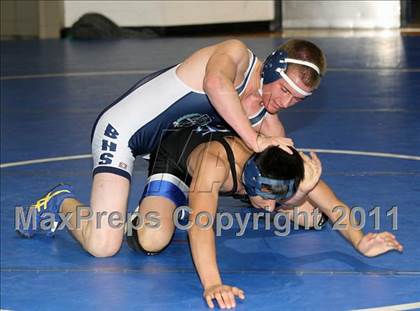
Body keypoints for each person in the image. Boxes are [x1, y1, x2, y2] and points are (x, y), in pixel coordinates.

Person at [17, 39, 327, 259]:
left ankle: (156, 207)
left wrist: (299, 191)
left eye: (298, 99)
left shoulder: (268, 124)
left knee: (312, 215)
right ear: (272, 69)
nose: (286, 103)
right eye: (285, 90)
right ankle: (60, 202)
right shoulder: (235, 56)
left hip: (176, 153)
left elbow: (280, 183)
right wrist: (254, 140)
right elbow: (215, 85)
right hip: (125, 132)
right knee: (103, 244)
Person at [120, 126, 401, 309]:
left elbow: (333, 207)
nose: (270, 209)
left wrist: (360, 240)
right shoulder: (214, 165)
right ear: (251, 184)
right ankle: (158, 205)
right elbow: (200, 225)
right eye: (268, 200)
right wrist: (213, 283)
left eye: (277, 200)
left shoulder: (282, 165)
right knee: (152, 239)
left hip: (242, 174)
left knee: (312, 218)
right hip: (177, 158)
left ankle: (282, 196)